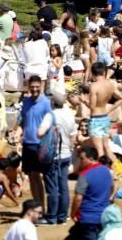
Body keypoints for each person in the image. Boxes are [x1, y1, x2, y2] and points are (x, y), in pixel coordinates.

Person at [44, 89, 77, 226]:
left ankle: (52, 216)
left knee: (53, 186)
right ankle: (62, 216)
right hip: (66, 153)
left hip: (54, 155)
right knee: (63, 186)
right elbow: (73, 136)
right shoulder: (69, 114)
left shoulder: (51, 115)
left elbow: (42, 132)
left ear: (52, 102)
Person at [20, 75, 51, 208]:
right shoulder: (26, 102)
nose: (34, 90)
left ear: (41, 86)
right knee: (32, 176)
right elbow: (22, 119)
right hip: (27, 143)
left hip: (40, 144)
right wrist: (17, 132)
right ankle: (36, 205)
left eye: (37, 87)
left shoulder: (46, 103)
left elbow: (50, 123)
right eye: (32, 87)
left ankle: (41, 207)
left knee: (38, 177)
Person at [70, 144, 113, 240]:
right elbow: (112, 187)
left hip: (87, 218)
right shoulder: (106, 171)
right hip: (103, 216)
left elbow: (78, 199)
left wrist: (73, 213)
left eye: (82, 159)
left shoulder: (84, 175)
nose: (80, 162)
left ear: (90, 159)